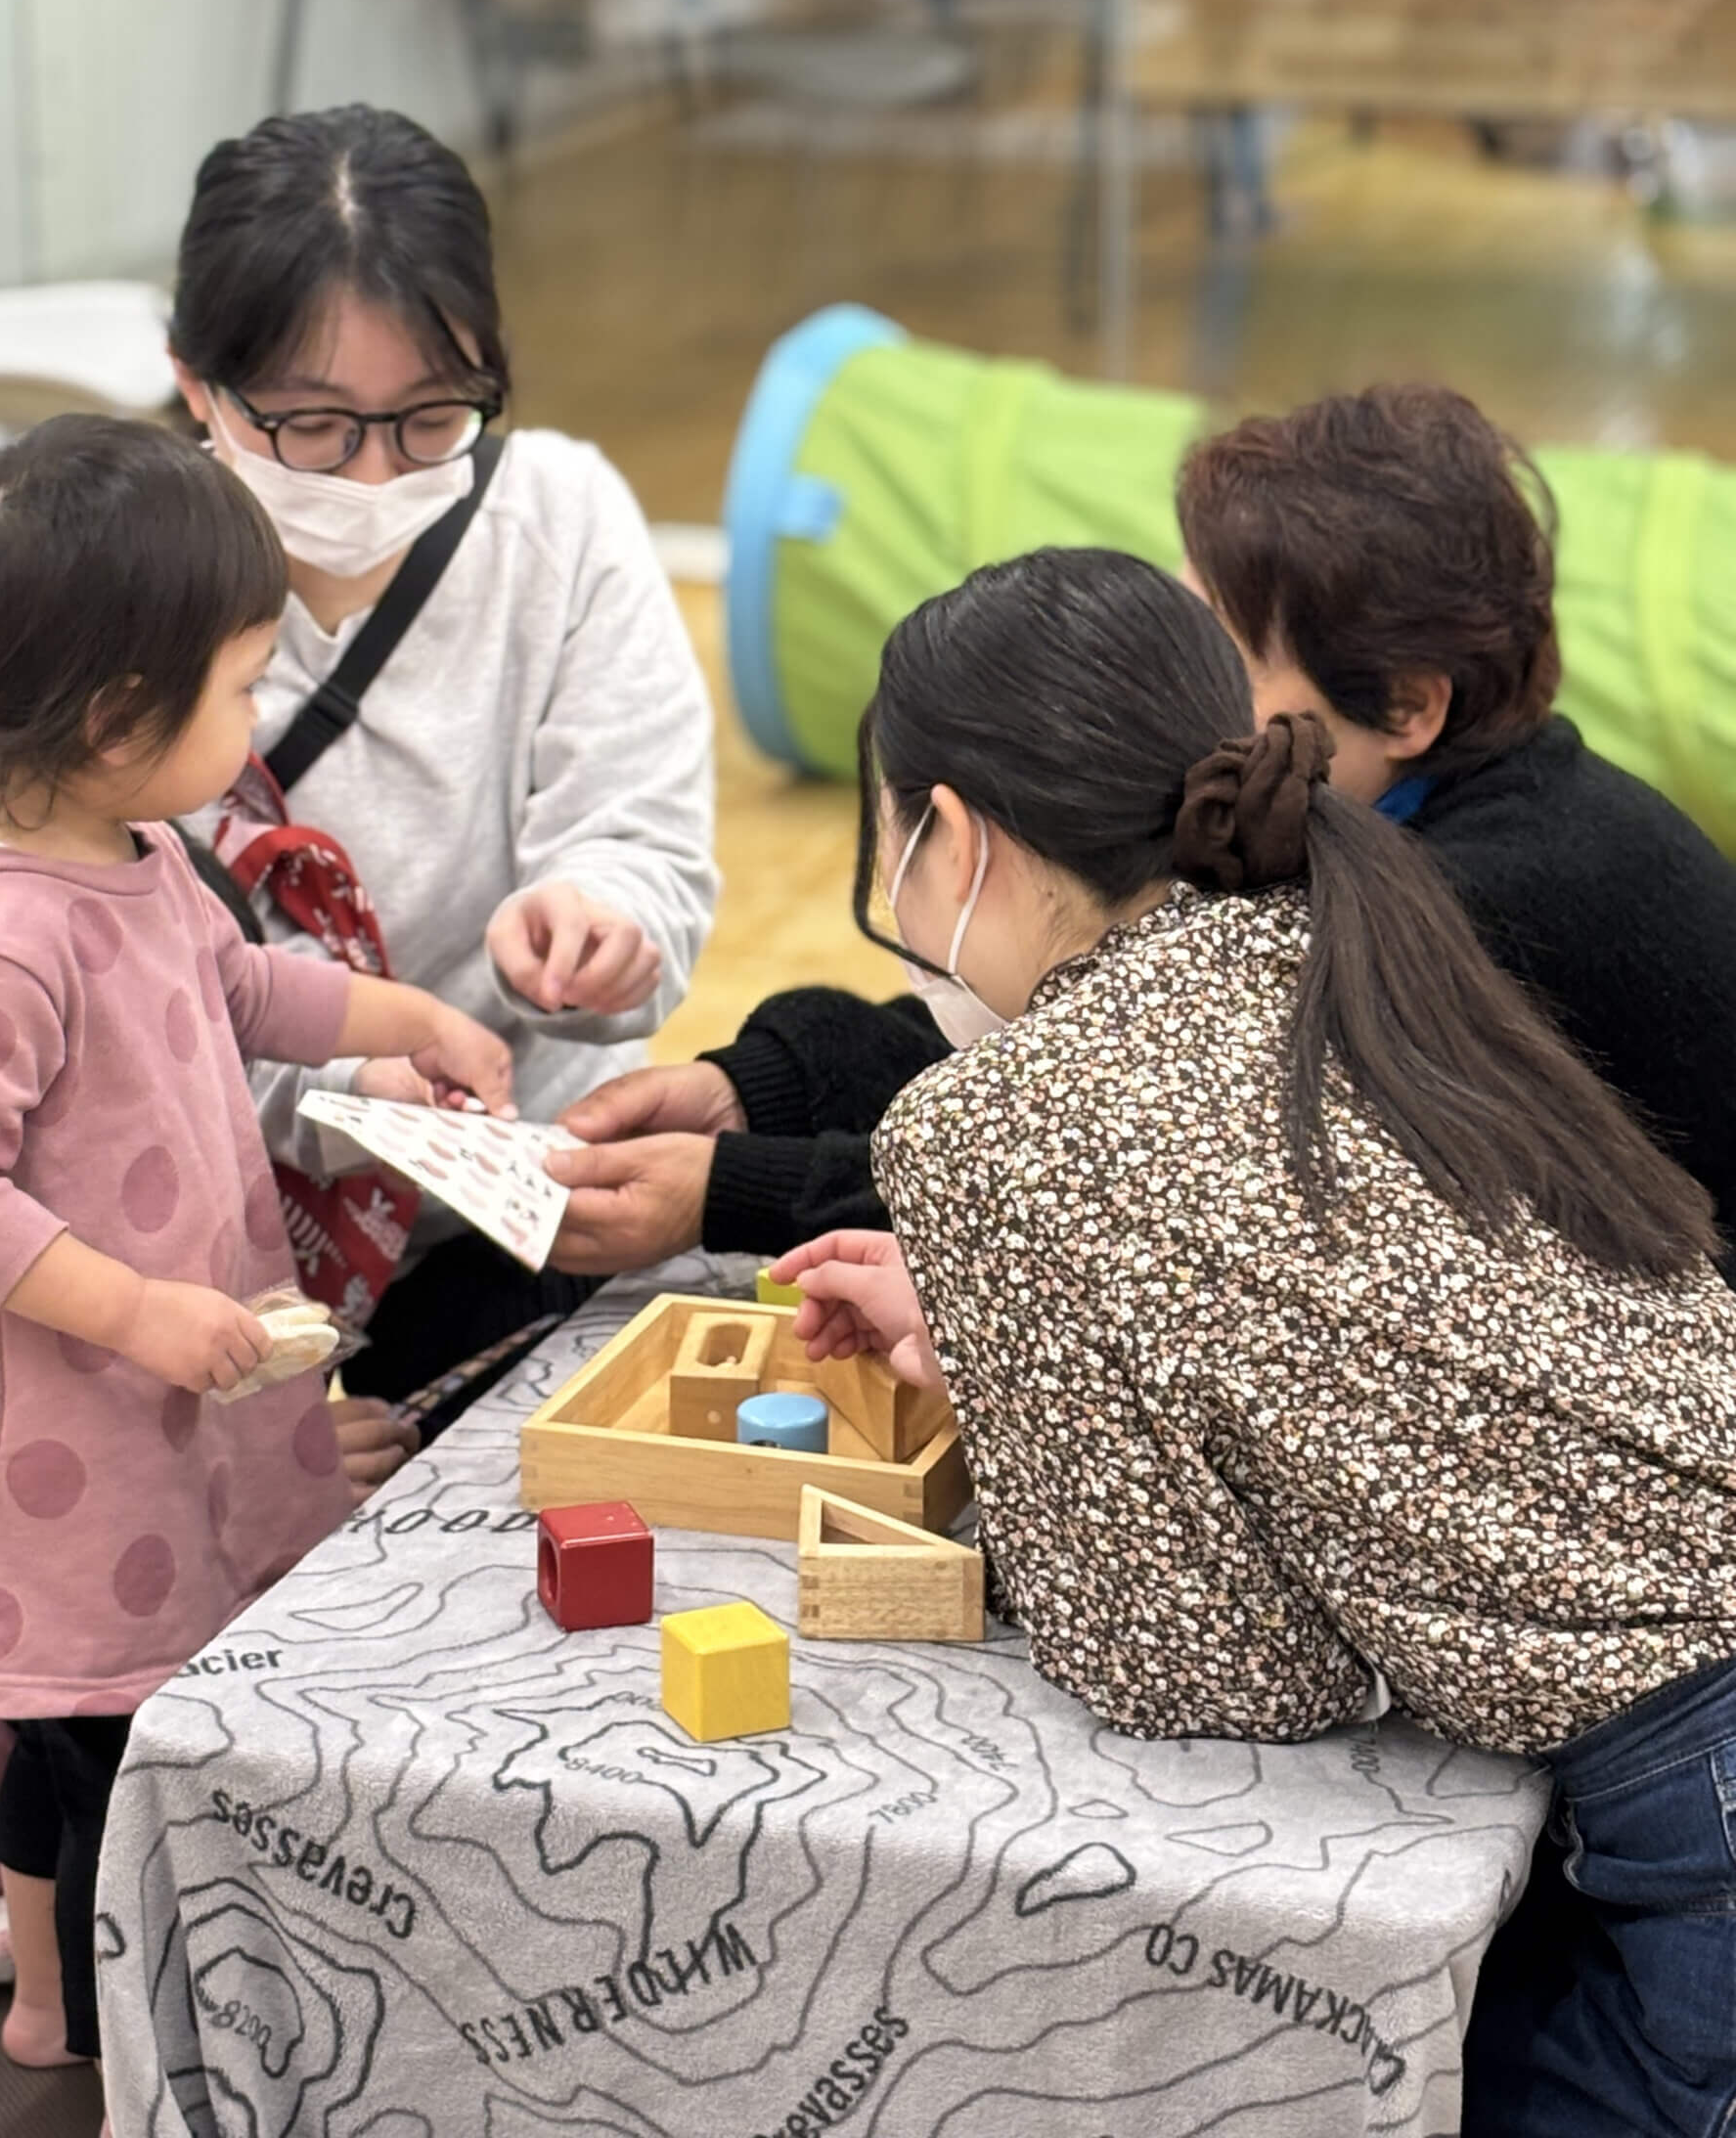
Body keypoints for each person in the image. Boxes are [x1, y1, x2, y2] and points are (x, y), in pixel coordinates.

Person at [772, 547, 1734, 2138]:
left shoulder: (988, 1123)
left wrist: (1041, 1414)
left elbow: (1215, 1673)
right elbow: (1369, 1341)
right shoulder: (1350, 934)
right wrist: (1021, 1343)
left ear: (946, 835)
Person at [0, 419, 528, 2081]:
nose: (256, 716)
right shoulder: (0, 938)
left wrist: (407, 1019)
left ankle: (65, 1995)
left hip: (154, 1397)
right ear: (114, 721)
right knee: (99, 1739)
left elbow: (242, 989)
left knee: (100, 1728)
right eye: (237, 690)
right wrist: (139, 1311)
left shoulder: (140, 855)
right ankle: (94, 2025)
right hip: (74, 1426)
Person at [551, 383, 1736, 1281]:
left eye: (1223, 655)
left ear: (1408, 705)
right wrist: (762, 1088)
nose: (1179, 691)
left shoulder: (1480, 902)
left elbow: (1109, 1175)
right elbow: (1086, 1031)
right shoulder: (1375, 815)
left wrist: (734, 1188)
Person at [169, 103, 716, 1421]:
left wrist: (602, 919)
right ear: (197, 385)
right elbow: (116, 1001)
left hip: (528, 1203)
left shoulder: (555, 519)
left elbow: (643, 837)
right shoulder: (122, 581)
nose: (373, 474)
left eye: (430, 417)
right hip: (217, 1267)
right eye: (313, 426)